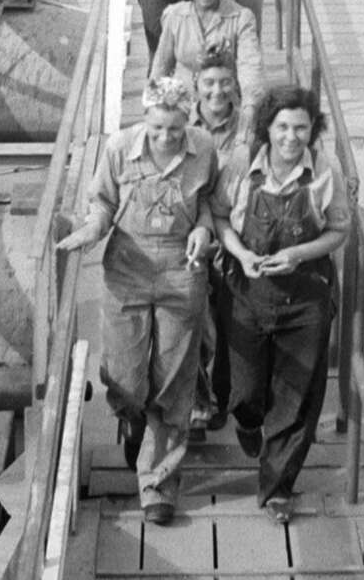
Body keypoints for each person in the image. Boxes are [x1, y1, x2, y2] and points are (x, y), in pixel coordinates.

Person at [56, 77, 217, 526]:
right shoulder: (118, 148)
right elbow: (102, 203)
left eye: (175, 128)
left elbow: (207, 203)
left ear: (189, 120)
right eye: (158, 127)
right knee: (123, 375)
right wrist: (91, 229)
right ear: (145, 118)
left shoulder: (203, 149)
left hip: (181, 271)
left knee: (173, 379)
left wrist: (203, 229)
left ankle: (158, 485)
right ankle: (132, 418)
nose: (166, 137)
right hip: (126, 267)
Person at [210, 85, 351, 524]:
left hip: (304, 294)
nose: (292, 137)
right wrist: (240, 253)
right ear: (268, 128)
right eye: (283, 127)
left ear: (313, 130)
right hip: (246, 291)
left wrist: (297, 254)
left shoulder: (325, 171)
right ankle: (248, 422)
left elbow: (338, 230)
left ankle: (278, 488)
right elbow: (217, 215)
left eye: (302, 128)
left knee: (295, 396)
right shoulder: (240, 165)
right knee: (244, 390)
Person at [187, 44, 244, 439]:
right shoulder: (179, 124)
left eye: (225, 82)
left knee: (227, 325)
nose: (217, 91)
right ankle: (194, 403)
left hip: (233, 234)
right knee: (194, 324)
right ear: (196, 85)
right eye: (209, 82)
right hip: (189, 233)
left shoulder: (250, 128)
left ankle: (221, 397)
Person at [148, 0, 263, 138]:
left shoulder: (241, 18)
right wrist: (153, 111)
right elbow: (161, 66)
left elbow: (250, 67)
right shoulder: (174, 15)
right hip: (181, 104)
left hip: (221, 99)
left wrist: (250, 108)